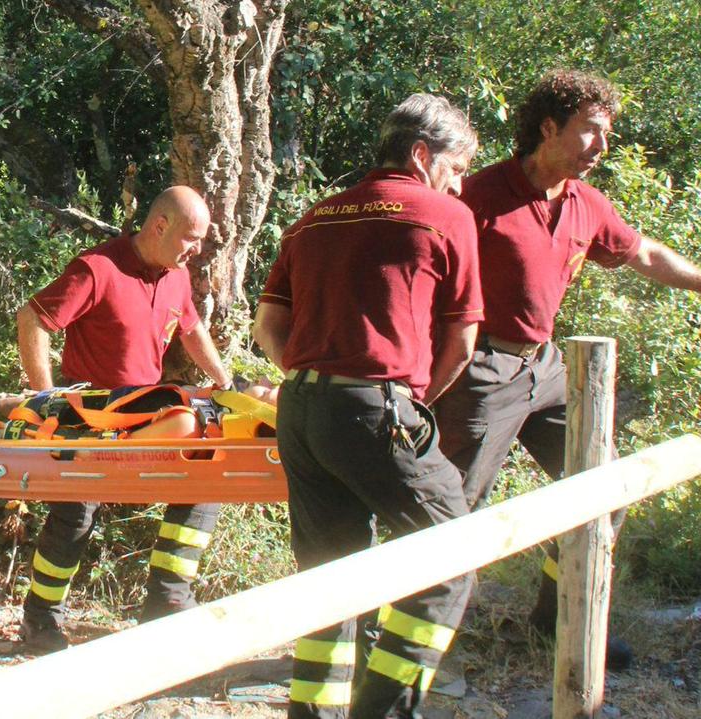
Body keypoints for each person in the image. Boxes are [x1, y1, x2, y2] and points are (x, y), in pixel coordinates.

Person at [433, 69, 701, 668]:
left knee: (604, 487)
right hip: (480, 372)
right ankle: (413, 641)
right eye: (590, 132)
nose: (602, 147)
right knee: (452, 511)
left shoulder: (587, 205)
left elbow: (644, 253)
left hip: (547, 367)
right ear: (549, 127)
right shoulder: (479, 195)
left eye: (606, 134)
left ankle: (556, 618)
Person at [252, 93, 481, 719]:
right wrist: (403, 400)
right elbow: (461, 342)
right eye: (456, 168)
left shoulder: (315, 218)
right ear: (420, 154)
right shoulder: (442, 216)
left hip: (300, 410)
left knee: (331, 579)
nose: (459, 187)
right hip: (378, 406)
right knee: (451, 559)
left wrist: (313, 376)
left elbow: (269, 322)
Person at [15, 185, 234, 653]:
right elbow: (33, 318)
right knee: (76, 514)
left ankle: (167, 604)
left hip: (146, 409)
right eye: (190, 239)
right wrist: (45, 397)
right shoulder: (99, 268)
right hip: (91, 411)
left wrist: (223, 380)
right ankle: (40, 619)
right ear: (160, 226)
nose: (196, 251)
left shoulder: (175, 275)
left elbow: (191, 330)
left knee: (205, 479)